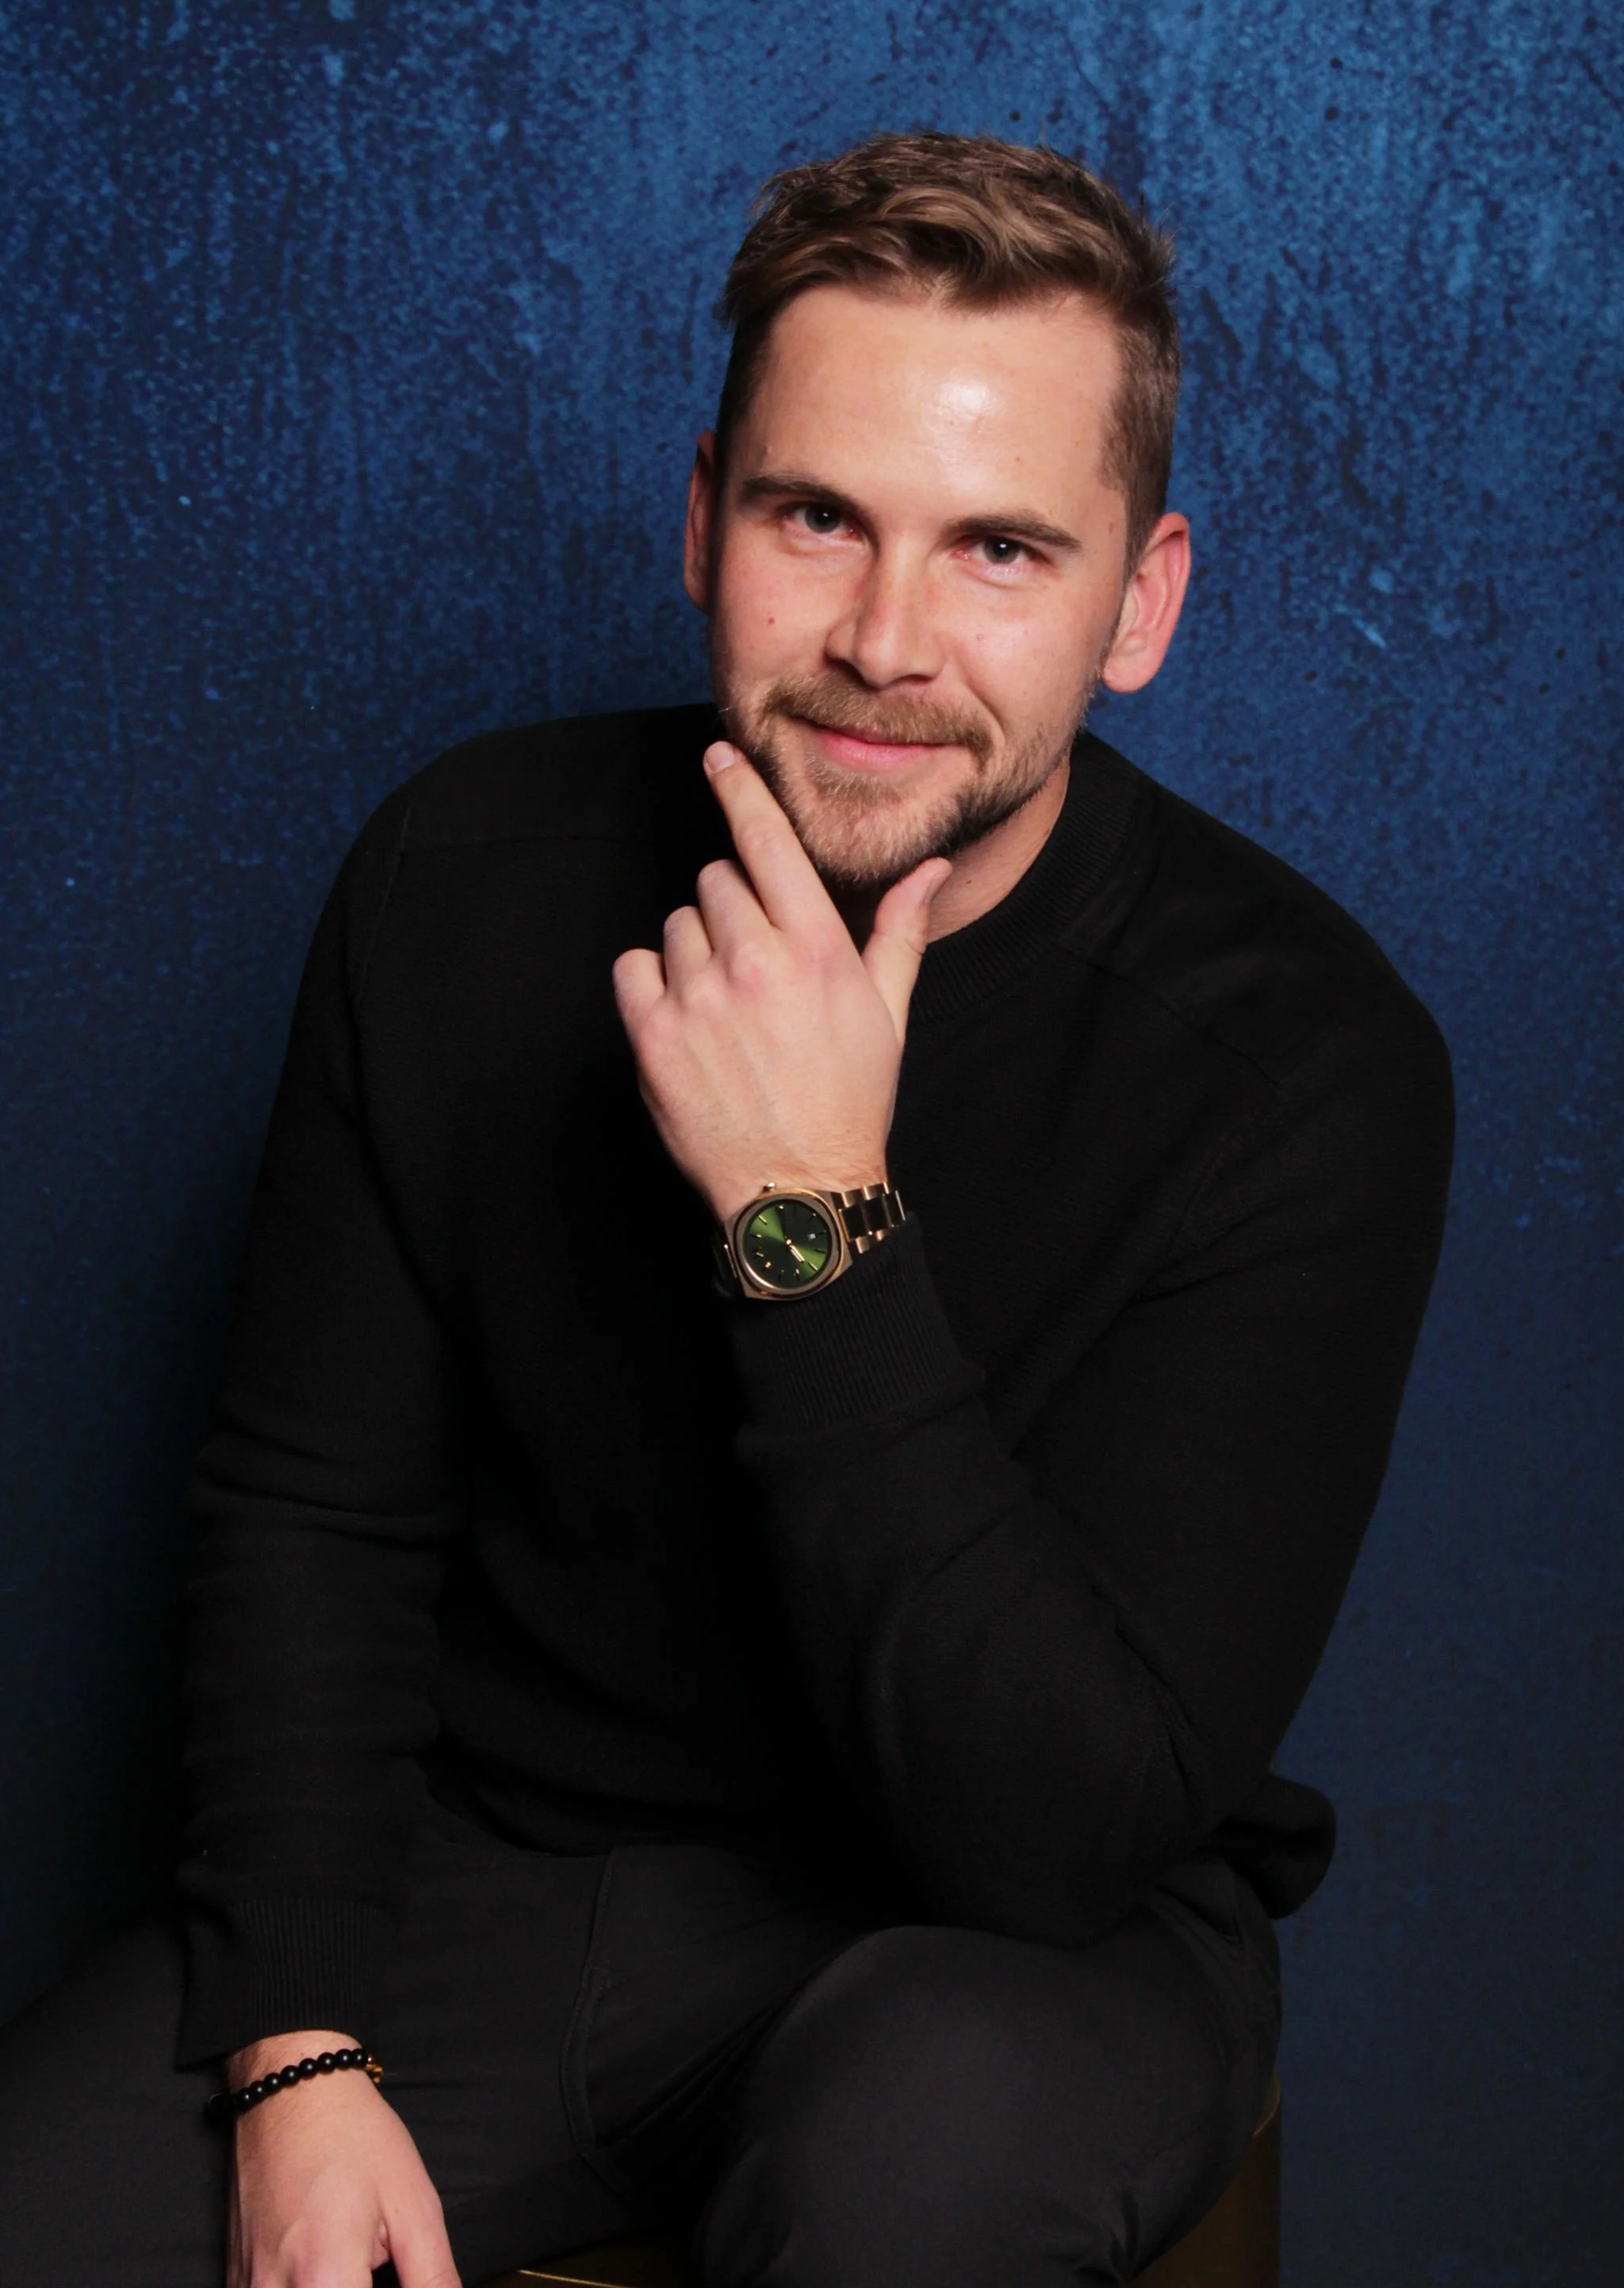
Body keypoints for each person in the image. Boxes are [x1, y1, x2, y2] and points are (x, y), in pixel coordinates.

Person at [0, 132, 1453, 2288]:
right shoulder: (460, 880)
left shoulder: (1302, 1057)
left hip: (1014, 1942)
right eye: (814, 518)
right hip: (493, 1877)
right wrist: (301, 2051)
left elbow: (1056, 1832)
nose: (884, 640)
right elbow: (315, 1515)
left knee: (910, 2172)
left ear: (1137, 605)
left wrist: (812, 1220)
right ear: (703, 520)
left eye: (998, 553)